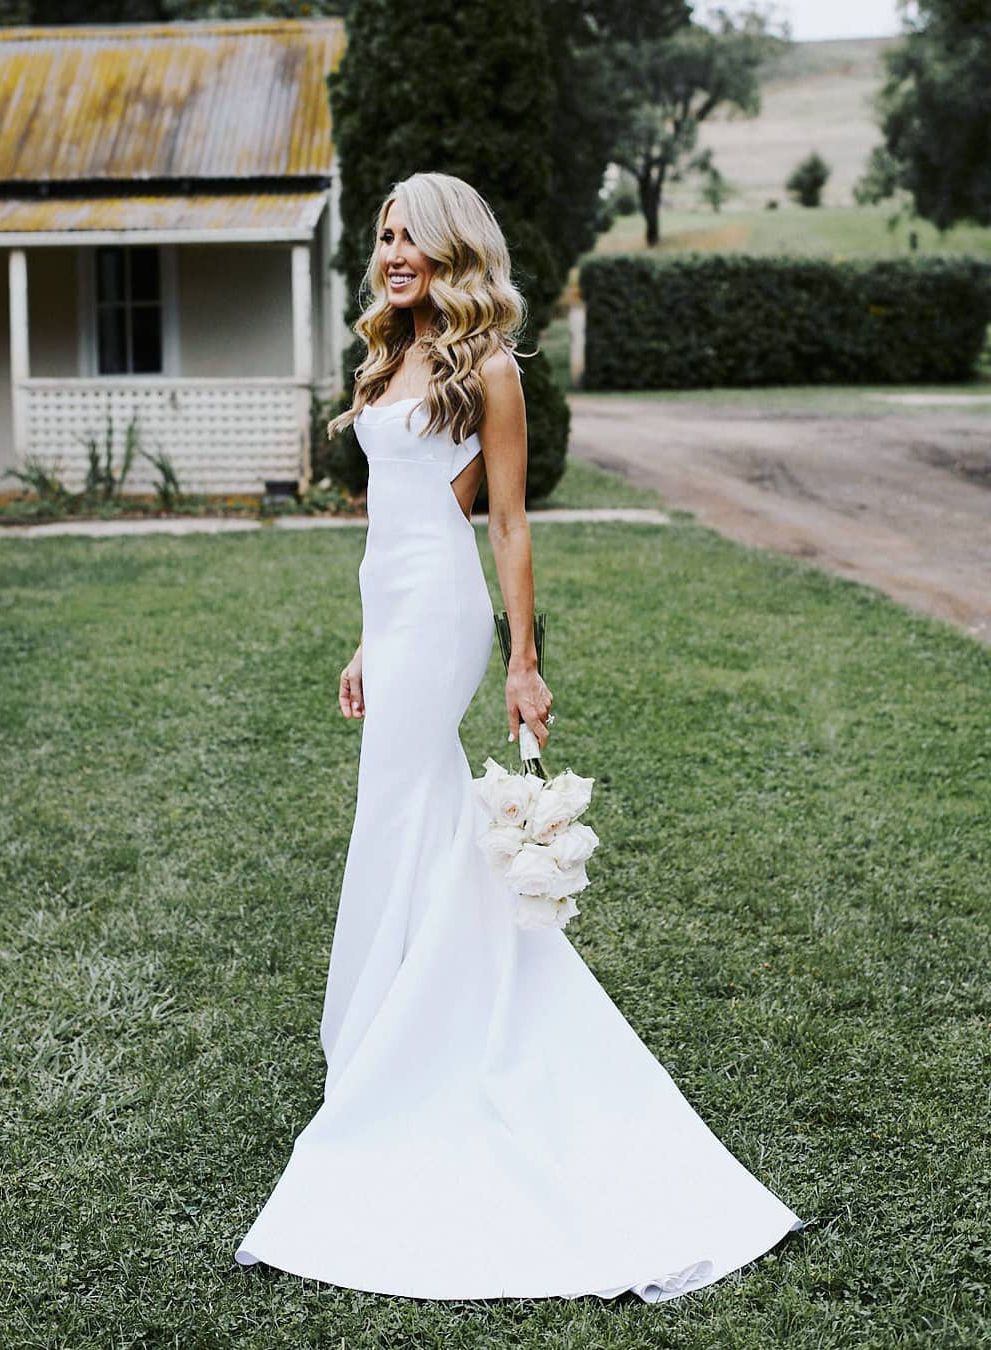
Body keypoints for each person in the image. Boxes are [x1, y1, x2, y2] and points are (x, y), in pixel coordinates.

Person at [234, 171, 805, 1301]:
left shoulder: (486, 366)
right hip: (395, 613)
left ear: (456, 250)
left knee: (403, 803)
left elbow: (502, 519)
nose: (394, 252)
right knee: (404, 811)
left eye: (414, 238)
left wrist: (523, 658)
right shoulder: (392, 354)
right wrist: (365, 640)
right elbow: (400, 517)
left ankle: (418, 1034)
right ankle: (416, 1015)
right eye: (386, 235)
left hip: (444, 615)